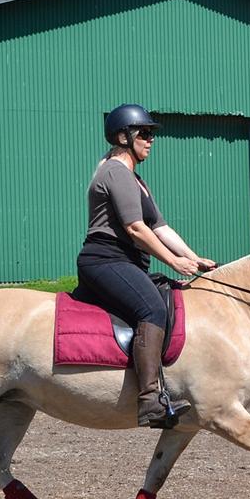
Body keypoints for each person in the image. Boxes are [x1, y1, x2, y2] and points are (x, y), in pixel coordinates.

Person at [75, 104, 215, 428]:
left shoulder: (136, 179)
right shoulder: (115, 172)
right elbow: (136, 228)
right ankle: (149, 399)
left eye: (152, 134)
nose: (151, 140)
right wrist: (172, 260)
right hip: (105, 260)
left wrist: (194, 259)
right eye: (145, 133)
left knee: (172, 293)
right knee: (152, 309)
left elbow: (161, 227)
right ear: (124, 137)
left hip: (125, 261)